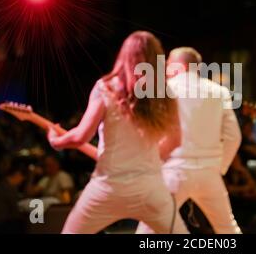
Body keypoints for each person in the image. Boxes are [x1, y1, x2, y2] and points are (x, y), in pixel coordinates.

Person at [46, 31, 188, 234]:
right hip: (150, 187)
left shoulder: (106, 88)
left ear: (124, 56)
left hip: (108, 187)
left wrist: (55, 141)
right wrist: (149, 159)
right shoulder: (165, 94)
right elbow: (176, 139)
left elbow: (81, 137)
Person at [136, 47, 242, 234]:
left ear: (179, 66)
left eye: (168, 63)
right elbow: (234, 136)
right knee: (228, 229)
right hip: (209, 172)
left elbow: (152, 132)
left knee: (149, 228)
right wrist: (220, 167)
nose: (166, 68)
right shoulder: (219, 91)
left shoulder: (165, 88)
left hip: (175, 169)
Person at [0, 160, 27, 233]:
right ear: (17, 174)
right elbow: (15, 211)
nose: (20, 183)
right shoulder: (8, 187)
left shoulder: (2, 184)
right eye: (21, 179)